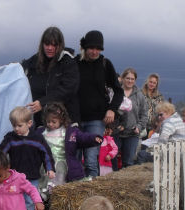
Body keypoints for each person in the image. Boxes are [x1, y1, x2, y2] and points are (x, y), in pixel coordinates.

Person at [0, 106, 55, 210]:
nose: (16, 129)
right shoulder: (11, 138)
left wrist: (50, 169)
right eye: (14, 126)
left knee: (30, 201)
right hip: (14, 178)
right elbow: (1, 152)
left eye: (19, 125)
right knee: (14, 200)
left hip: (32, 177)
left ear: (29, 123)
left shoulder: (37, 138)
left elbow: (46, 153)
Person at [76, 30, 124, 178]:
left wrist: (112, 109)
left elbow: (118, 91)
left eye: (98, 48)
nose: (95, 51)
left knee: (91, 160)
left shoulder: (105, 64)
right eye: (91, 48)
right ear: (84, 47)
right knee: (75, 160)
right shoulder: (74, 63)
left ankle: (93, 194)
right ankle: (74, 192)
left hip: (97, 119)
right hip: (75, 118)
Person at [22, 26, 80, 127]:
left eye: (54, 45)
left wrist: (43, 102)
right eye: (47, 44)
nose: (50, 48)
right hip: (41, 123)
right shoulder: (34, 61)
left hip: (65, 122)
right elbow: (19, 70)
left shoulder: (68, 61)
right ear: (42, 44)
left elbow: (68, 89)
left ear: (60, 45)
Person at [36, 102, 103, 184]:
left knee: (62, 187)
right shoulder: (42, 132)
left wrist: (93, 138)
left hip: (65, 165)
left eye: (53, 122)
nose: (50, 124)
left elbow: (82, 137)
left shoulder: (70, 131)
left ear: (61, 119)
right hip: (47, 167)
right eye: (48, 121)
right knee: (46, 187)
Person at [112, 68, 148, 170]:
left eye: (132, 79)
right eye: (128, 78)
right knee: (112, 157)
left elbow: (144, 114)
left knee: (128, 162)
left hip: (132, 133)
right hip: (116, 132)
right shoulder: (116, 92)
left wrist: (139, 127)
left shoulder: (139, 95)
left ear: (135, 80)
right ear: (122, 78)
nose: (130, 81)